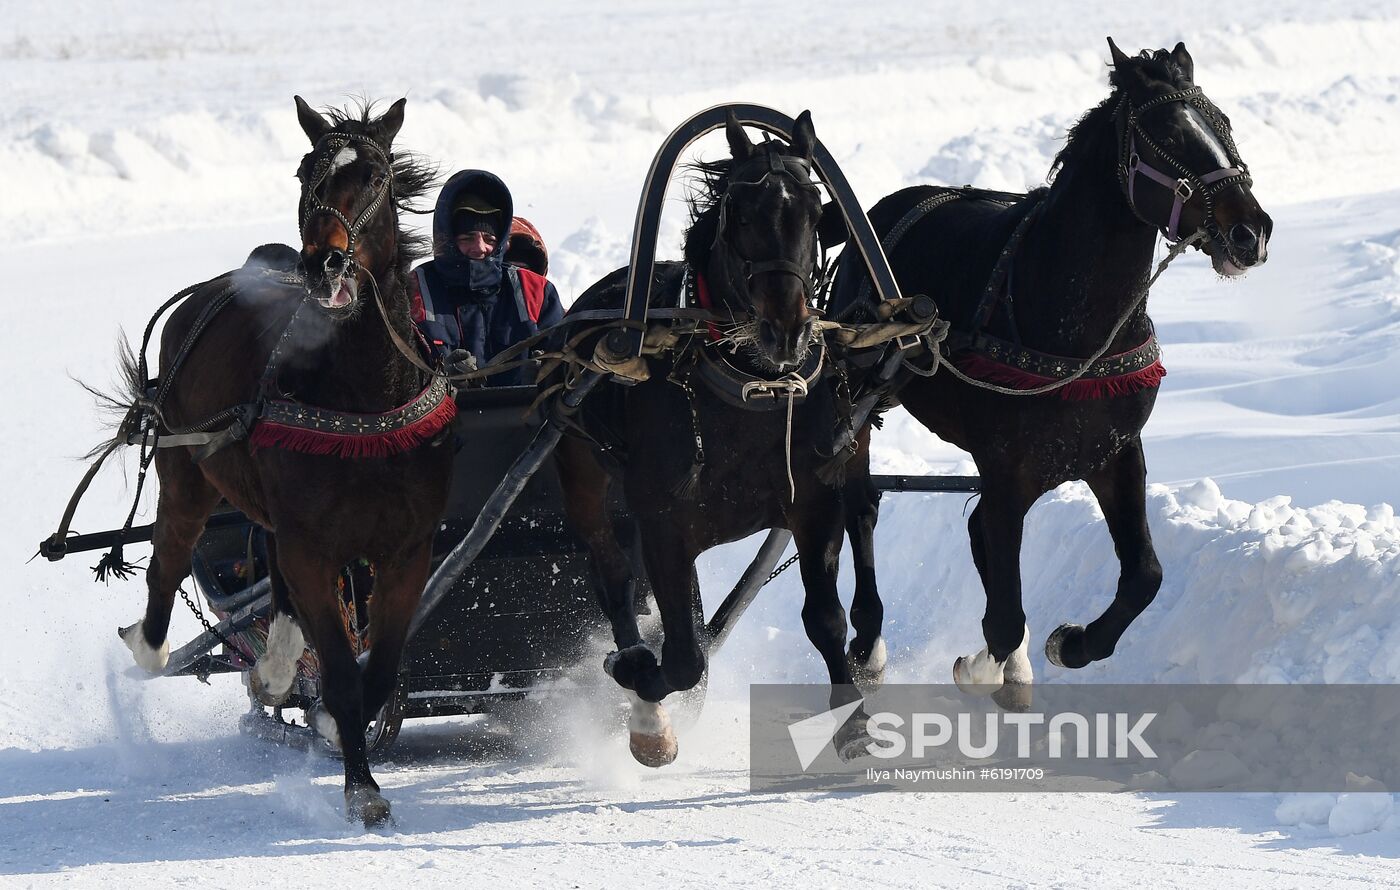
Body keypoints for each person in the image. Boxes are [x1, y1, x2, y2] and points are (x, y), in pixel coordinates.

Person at [410, 170, 563, 385]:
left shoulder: (536, 291)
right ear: (447, 238)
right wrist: (439, 379)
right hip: (445, 416)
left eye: (489, 238)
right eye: (467, 237)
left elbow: (568, 363)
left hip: (527, 414)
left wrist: (544, 373)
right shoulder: (414, 291)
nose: (479, 248)